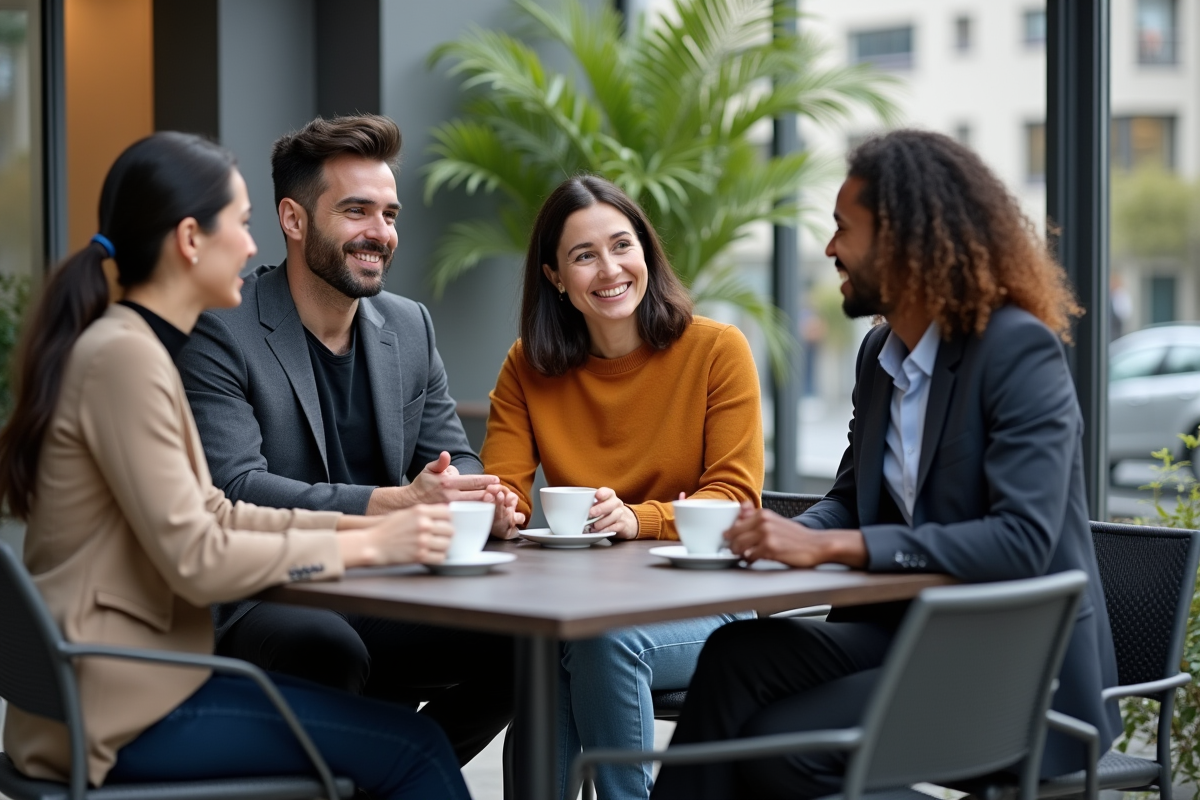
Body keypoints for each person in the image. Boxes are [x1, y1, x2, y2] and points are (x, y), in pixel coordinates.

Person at [650, 129, 1123, 799]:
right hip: (911, 637)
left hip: (1018, 670)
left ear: (904, 242)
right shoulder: (879, 359)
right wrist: (784, 541)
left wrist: (833, 549)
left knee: (781, 748)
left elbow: (1022, 540)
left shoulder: (1018, 350)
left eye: (845, 229)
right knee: (736, 658)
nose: (829, 248)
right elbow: (852, 497)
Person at [0, 132, 471, 799]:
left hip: (127, 691)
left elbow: (217, 513)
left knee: (389, 745)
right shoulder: (124, 358)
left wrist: (373, 529)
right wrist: (368, 543)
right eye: (243, 224)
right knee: (415, 750)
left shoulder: (129, 348)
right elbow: (197, 556)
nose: (253, 248)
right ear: (191, 239)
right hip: (123, 711)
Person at [175, 114, 517, 764]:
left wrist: (475, 498)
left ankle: (386, 776)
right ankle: (391, 770)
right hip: (266, 592)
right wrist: (389, 505)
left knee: (526, 645)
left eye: (389, 214)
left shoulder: (409, 325)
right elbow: (235, 488)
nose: (379, 234)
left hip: (384, 589)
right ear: (294, 220)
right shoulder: (222, 324)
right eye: (357, 211)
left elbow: (453, 459)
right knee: (329, 647)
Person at [481, 175, 764, 800]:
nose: (609, 269)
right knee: (552, 650)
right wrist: (496, 508)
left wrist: (641, 518)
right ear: (556, 276)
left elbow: (737, 497)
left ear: (646, 253)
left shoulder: (717, 350)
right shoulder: (528, 365)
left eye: (622, 245)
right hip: (583, 605)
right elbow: (508, 492)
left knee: (595, 643)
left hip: (705, 602)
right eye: (584, 255)